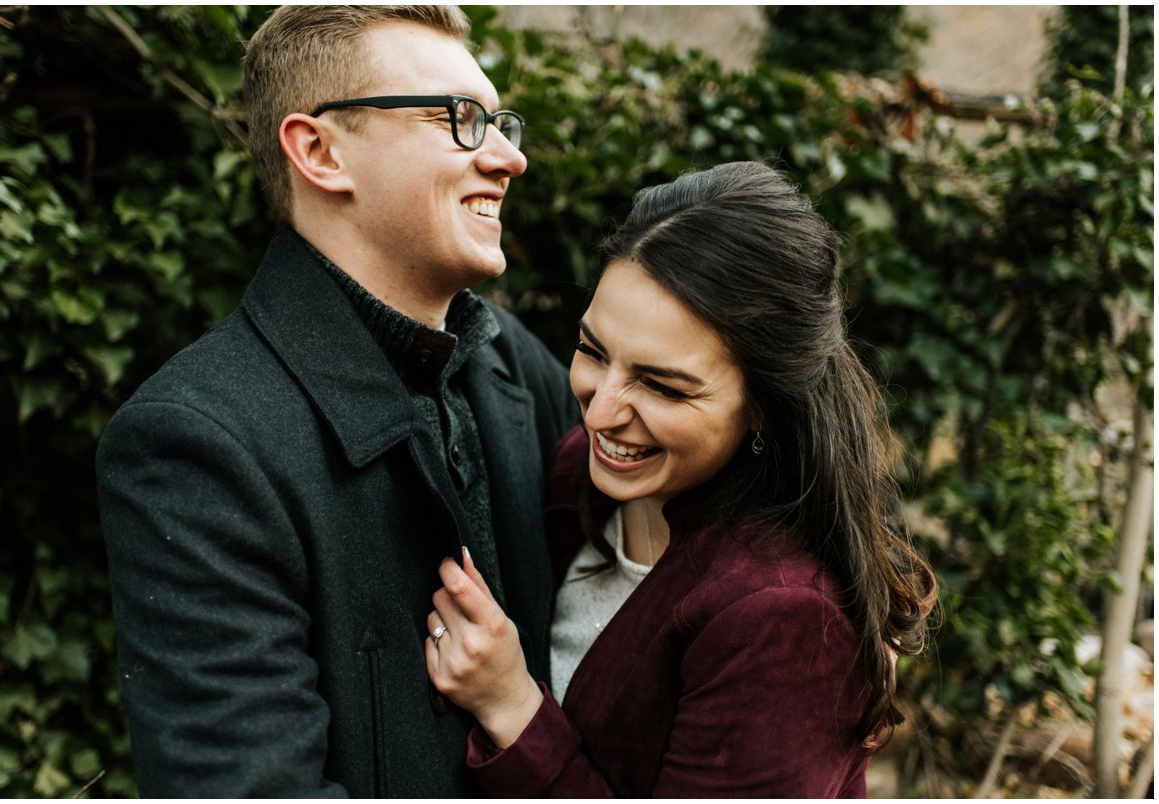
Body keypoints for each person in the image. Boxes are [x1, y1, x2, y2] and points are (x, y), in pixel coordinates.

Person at [96, 5, 575, 797]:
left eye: (499, 122)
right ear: (319, 151)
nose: (507, 159)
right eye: (458, 119)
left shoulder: (514, 367)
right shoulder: (193, 442)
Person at [424, 161, 938, 797]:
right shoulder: (576, 478)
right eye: (592, 350)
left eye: (662, 385)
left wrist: (512, 708)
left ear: (763, 406)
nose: (601, 410)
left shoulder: (785, 619)